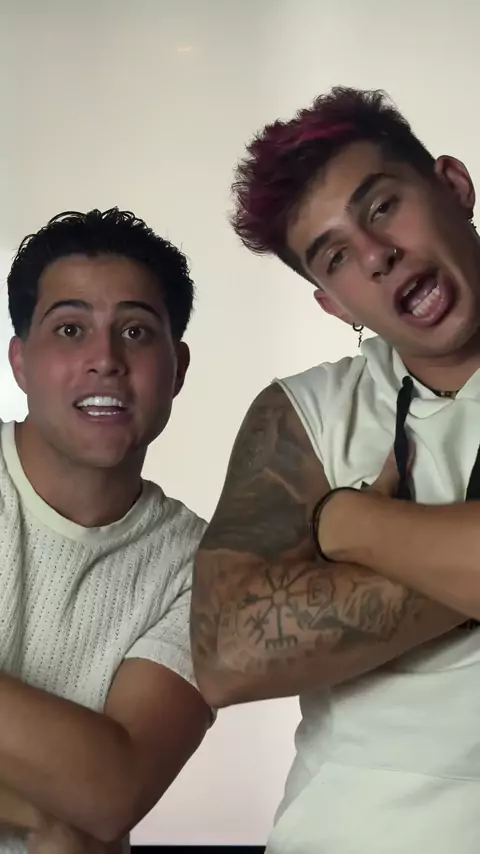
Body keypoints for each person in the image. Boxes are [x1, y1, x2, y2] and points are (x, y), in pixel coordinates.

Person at [190, 88, 480, 853]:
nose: (377, 255)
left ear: (454, 186)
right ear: (332, 304)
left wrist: (349, 524)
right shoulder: (304, 414)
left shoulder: (339, 504)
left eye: (383, 207)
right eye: (337, 256)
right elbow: (227, 654)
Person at [0, 208, 212, 853]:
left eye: (135, 332)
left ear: (177, 368)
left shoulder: (205, 568)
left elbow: (114, 791)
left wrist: (75, 806)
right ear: (20, 361)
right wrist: (41, 815)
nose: (105, 360)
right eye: (70, 329)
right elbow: (81, 809)